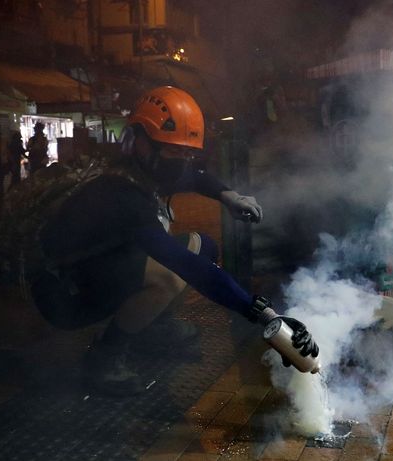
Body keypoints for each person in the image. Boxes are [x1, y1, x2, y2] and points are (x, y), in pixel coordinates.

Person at [22, 86, 319, 395]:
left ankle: (153, 328)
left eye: (187, 152)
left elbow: (195, 177)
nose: (181, 161)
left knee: (202, 245)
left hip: (98, 262)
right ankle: (103, 360)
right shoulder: (119, 193)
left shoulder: (146, 166)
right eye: (173, 151)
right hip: (64, 294)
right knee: (169, 277)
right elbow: (186, 266)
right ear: (141, 142)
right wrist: (260, 312)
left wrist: (229, 196)